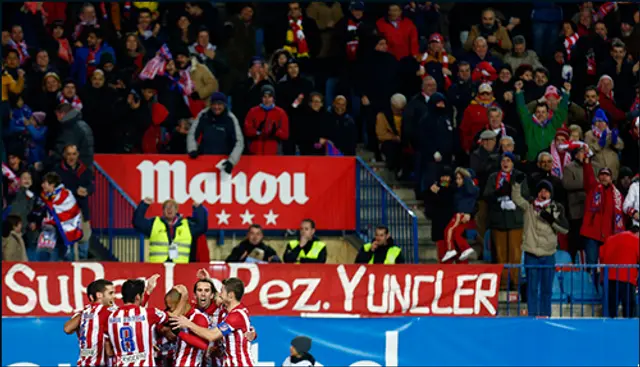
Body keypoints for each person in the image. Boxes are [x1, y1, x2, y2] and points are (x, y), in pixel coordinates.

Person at [512, 178, 569, 317]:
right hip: (531, 254)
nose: (543, 193)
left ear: (550, 194)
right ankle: (532, 316)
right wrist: (516, 182)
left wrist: (551, 220)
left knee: (546, 289)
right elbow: (516, 198)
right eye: (541, 190)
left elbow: (565, 229)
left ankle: (545, 315)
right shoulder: (529, 207)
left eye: (546, 190)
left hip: (548, 254)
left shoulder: (556, 207)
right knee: (531, 289)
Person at [170, 277, 255, 367]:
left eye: (222, 291)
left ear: (230, 295)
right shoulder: (229, 311)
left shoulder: (236, 315)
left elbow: (212, 336)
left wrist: (188, 324)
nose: (219, 295)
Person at [106, 279, 188, 367]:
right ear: (138, 296)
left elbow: (109, 352)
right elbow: (174, 316)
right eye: (142, 294)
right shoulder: (149, 313)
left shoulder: (111, 316)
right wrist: (184, 296)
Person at [484, 152, 529, 289]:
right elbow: (486, 196)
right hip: (498, 220)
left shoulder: (520, 176)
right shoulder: (493, 177)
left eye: (508, 160)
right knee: (500, 253)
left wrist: (513, 199)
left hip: (515, 220)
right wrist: (498, 196)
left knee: (515, 253)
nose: (505, 163)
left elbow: (526, 194)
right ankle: (503, 283)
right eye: (504, 160)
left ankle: (515, 283)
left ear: (513, 163)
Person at [132, 197, 207, 263]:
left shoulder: (187, 225)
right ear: (163, 211)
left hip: (180, 268)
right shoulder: (154, 223)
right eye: (166, 207)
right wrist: (144, 205)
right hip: (157, 267)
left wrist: (199, 209)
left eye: (172, 207)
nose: (169, 209)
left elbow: (202, 227)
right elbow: (137, 222)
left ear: (176, 210)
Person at [187, 92, 244, 174]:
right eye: (214, 104)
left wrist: (231, 162)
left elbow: (239, 142)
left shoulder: (231, 119)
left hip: (223, 163)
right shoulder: (203, 115)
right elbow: (192, 133)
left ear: (224, 105)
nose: (216, 107)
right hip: (204, 160)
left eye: (219, 104)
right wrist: (192, 149)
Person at [54, 144, 93, 261]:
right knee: (67, 240)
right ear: (64, 155)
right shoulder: (57, 171)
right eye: (69, 154)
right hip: (65, 211)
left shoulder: (85, 170)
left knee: (84, 238)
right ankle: (68, 267)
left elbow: (92, 185)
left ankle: (83, 263)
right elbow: (56, 189)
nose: (71, 157)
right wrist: (75, 191)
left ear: (78, 155)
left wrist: (87, 190)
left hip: (81, 209)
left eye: (74, 154)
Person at [581, 163, 625, 265]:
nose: (604, 176)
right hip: (592, 233)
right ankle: (591, 281)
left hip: (610, 235)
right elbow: (588, 175)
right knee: (591, 264)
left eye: (607, 175)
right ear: (598, 177)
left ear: (611, 179)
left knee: (608, 264)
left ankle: (602, 282)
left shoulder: (618, 196)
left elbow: (622, 217)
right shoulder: (592, 188)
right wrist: (586, 161)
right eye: (602, 174)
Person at [39, 171, 83, 261]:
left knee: (67, 259)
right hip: (53, 233)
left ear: (52, 184)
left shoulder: (65, 194)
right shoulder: (45, 196)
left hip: (65, 230)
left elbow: (70, 212)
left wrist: (51, 221)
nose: (42, 185)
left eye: (45, 183)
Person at [599, 227, 639, 318]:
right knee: (629, 311)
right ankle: (627, 330)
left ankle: (610, 329)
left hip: (610, 278)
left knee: (611, 311)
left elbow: (601, 256)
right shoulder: (636, 239)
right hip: (627, 278)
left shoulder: (610, 239)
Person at [441, 168, 479, 263]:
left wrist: (468, 213)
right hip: (457, 213)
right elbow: (448, 186)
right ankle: (465, 248)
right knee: (456, 233)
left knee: (449, 230)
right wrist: (442, 183)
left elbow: (473, 202)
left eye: (460, 178)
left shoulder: (470, 190)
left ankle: (451, 249)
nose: (457, 181)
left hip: (460, 214)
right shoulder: (458, 189)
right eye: (456, 178)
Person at [164, 288, 209, 367]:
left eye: (171, 308)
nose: (170, 311)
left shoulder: (199, 317)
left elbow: (203, 345)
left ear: (181, 304)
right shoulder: (177, 318)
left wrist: (180, 333)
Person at [244, 84, 290, 155]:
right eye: (264, 97)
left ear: (273, 98)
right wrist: (257, 132)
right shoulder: (252, 111)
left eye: (269, 97)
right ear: (261, 98)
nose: (267, 100)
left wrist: (275, 132)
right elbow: (247, 130)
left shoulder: (281, 113)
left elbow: (285, 134)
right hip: (255, 153)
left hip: (274, 154)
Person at [51, 102, 94, 169]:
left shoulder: (70, 127)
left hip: (75, 171)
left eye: (57, 114)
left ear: (62, 114)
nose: (57, 118)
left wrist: (48, 160)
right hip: (85, 168)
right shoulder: (83, 124)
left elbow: (64, 150)